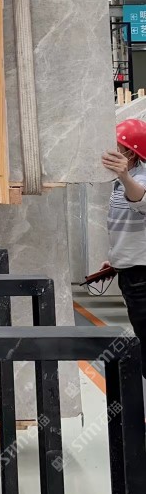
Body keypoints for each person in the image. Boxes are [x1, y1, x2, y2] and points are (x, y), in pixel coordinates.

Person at [101, 118, 146, 378]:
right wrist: (115, 260)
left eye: (117, 147)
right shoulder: (120, 184)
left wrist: (125, 176)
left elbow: (142, 201)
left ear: (131, 152)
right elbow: (126, 226)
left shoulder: (138, 179)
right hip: (130, 272)